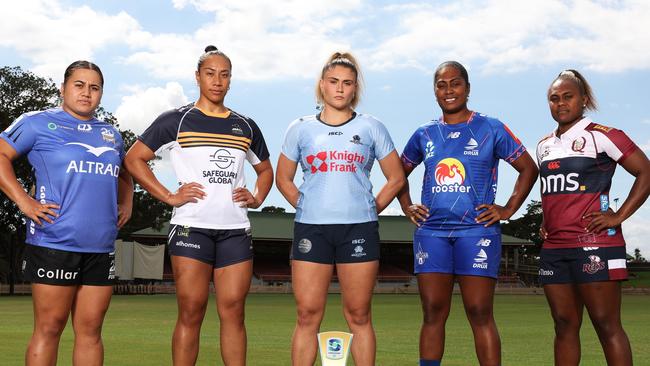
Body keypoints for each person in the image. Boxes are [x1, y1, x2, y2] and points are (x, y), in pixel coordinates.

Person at [124, 45, 273, 366]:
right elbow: (134, 159)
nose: (217, 81)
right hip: (192, 227)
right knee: (191, 311)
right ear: (197, 77)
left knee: (233, 311)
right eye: (210, 74)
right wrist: (168, 196)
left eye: (224, 75)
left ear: (230, 80)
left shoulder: (245, 125)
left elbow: (265, 170)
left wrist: (258, 197)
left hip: (234, 230)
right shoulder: (176, 121)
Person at [397, 61, 538, 366]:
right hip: (432, 232)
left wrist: (508, 208)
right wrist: (406, 205)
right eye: (441, 84)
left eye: (455, 83)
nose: (449, 90)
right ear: (435, 91)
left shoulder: (491, 127)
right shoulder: (425, 133)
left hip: (476, 231)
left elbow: (528, 167)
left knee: (479, 312)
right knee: (433, 311)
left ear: (468, 88)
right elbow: (399, 171)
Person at [275, 51, 405, 366]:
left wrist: (371, 208)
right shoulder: (301, 128)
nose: (340, 89)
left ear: (355, 88)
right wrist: (305, 204)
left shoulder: (372, 126)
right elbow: (283, 178)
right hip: (312, 229)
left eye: (347, 83)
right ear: (322, 85)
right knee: (307, 315)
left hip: (358, 229)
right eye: (333, 81)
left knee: (359, 314)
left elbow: (396, 178)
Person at [0, 60, 133, 365]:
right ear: (63, 88)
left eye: (95, 87)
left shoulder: (111, 135)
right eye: (79, 85)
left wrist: (127, 202)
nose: (87, 92)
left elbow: (126, 174)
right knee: (49, 329)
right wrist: (24, 201)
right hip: (54, 242)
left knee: (91, 332)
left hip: (100, 246)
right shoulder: (35, 122)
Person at [537, 69, 650, 366]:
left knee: (605, 324)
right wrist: (546, 221)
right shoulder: (544, 145)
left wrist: (619, 216)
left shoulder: (603, 136)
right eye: (554, 98)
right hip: (555, 249)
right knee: (563, 325)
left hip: (596, 244)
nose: (560, 103)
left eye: (567, 97)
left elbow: (645, 172)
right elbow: (554, 192)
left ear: (583, 99)